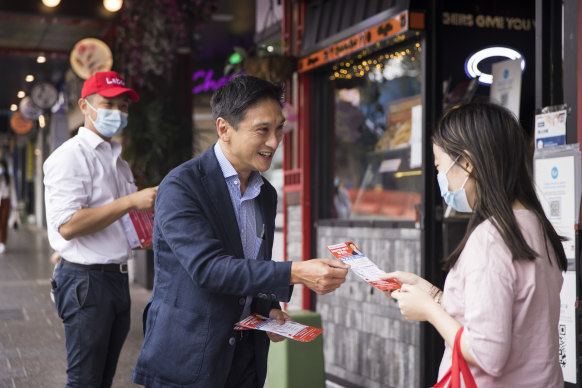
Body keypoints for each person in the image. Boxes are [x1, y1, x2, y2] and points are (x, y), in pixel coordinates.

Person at [132, 75, 349, 388]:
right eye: (262, 130)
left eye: (279, 129)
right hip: (189, 358)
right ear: (224, 129)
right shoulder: (182, 186)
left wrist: (268, 309)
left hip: (246, 358)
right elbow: (208, 269)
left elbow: (250, 267)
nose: (274, 142)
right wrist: (295, 272)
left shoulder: (266, 193)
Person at [380, 102, 566, 387]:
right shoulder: (534, 223)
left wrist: (429, 311)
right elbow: (499, 311)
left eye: (439, 166)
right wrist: (430, 294)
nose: (440, 178)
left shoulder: (491, 238)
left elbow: (487, 353)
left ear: (466, 163)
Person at [44, 71, 158, 388]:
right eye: (108, 104)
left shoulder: (118, 161)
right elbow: (68, 225)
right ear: (84, 105)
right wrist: (130, 201)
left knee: (103, 377)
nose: (118, 113)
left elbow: (126, 223)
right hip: (86, 282)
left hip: (115, 279)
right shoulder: (69, 157)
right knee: (84, 379)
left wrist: (150, 233)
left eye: (123, 107)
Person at [0, 159, 14, 253]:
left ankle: (2, 242)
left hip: (6, 201)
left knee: (4, 222)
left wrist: (15, 206)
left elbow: (13, 192)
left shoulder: (9, 178)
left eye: (1, 167)